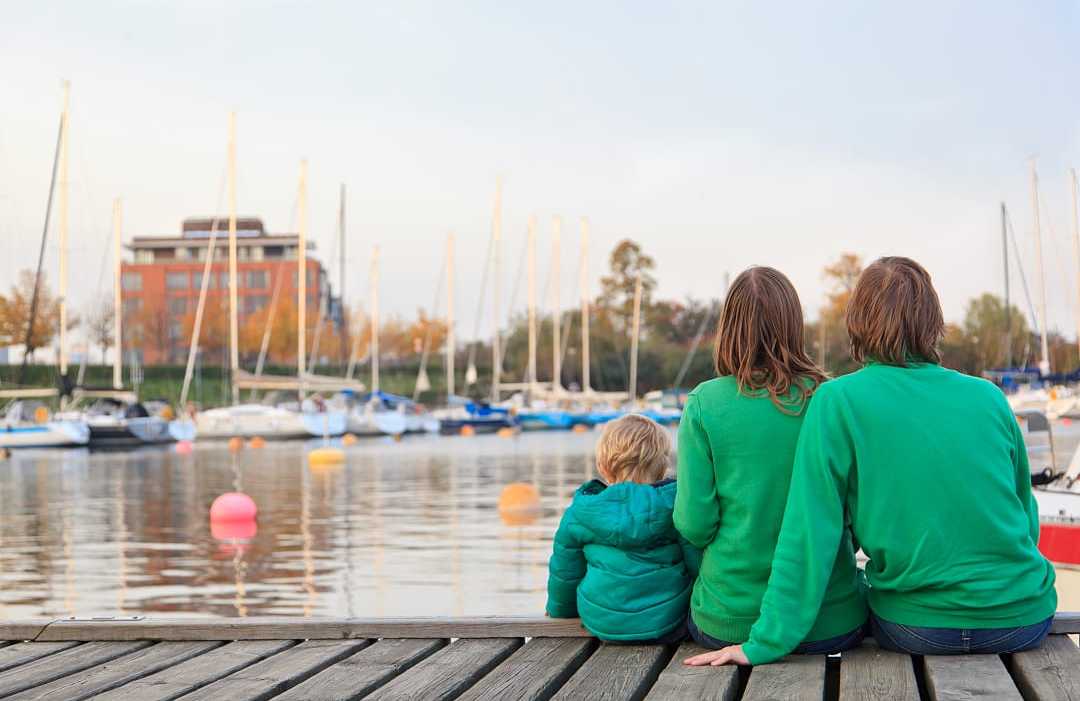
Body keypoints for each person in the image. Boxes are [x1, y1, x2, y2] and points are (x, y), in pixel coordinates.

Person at [687, 257, 1057, 667]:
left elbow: (810, 533)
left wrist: (764, 643)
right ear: (933, 319)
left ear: (857, 321)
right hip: (1023, 618)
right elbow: (1025, 516)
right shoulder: (989, 396)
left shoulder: (840, 400)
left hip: (917, 626)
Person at [675, 266, 866, 658]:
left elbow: (694, 525)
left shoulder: (703, 404)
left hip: (727, 622)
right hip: (833, 621)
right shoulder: (829, 399)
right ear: (794, 325)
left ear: (729, 328)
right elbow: (859, 523)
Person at [546, 413, 700, 643]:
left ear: (603, 465)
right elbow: (696, 564)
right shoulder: (676, 504)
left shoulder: (581, 511)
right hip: (670, 622)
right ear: (662, 465)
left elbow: (565, 574)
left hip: (603, 624)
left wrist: (560, 612)